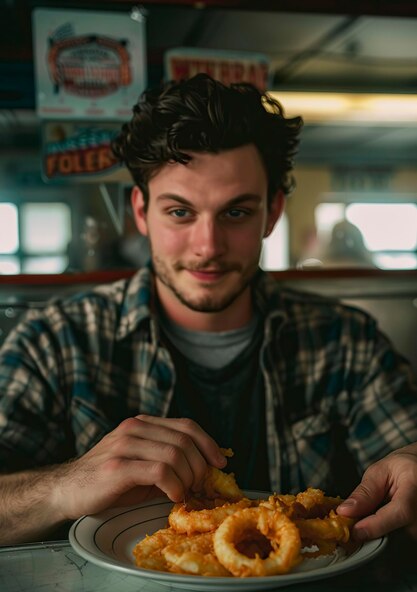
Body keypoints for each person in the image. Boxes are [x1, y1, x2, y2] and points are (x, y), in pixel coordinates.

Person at [0, 74, 417, 546]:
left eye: (236, 213)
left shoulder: (346, 342)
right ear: (141, 212)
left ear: (272, 213)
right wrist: (64, 486)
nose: (208, 246)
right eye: (180, 212)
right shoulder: (54, 341)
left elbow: (406, 452)